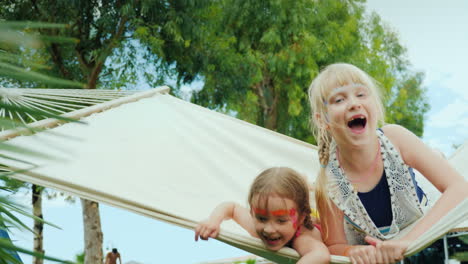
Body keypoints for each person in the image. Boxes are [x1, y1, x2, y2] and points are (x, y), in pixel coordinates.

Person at [308, 63, 468, 264]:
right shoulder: (328, 181)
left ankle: (437, 156)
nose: (354, 104)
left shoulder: (395, 138)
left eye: (361, 95)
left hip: (420, 224)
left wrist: (409, 241)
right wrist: (351, 252)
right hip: (375, 251)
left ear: (374, 106)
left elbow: (460, 189)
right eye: (339, 99)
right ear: (323, 120)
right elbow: (334, 245)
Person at [194, 167, 330, 264]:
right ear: (253, 212)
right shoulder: (255, 225)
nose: (268, 229)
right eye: (261, 218)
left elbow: (321, 255)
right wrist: (213, 221)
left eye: (281, 221)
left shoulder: (301, 239)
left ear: (300, 218)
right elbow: (231, 207)